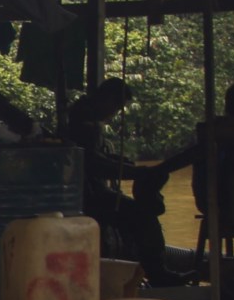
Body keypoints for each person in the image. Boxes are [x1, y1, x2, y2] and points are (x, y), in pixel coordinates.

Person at [61, 77, 170, 278]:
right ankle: (158, 273)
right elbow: (92, 163)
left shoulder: (85, 117)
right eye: (117, 106)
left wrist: (121, 162)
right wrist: (133, 172)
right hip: (88, 196)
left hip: (91, 190)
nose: (115, 112)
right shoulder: (83, 120)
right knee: (142, 216)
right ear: (107, 98)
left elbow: (95, 154)